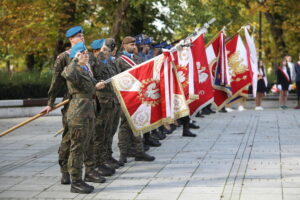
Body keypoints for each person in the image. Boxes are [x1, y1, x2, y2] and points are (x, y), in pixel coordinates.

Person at [40, 26, 84, 185]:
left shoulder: (86, 55)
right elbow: (56, 81)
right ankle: (65, 169)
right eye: (79, 36)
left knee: (85, 138)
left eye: (82, 35)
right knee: (69, 136)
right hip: (71, 102)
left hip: (87, 103)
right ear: (71, 39)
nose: (82, 37)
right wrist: (50, 103)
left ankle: (84, 169)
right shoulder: (64, 57)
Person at [61, 42, 106, 193]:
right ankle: (76, 181)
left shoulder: (85, 70)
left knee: (88, 144)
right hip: (78, 113)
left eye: (86, 53)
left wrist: (97, 85)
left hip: (89, 110)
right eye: (83, 53)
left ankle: (88, 173)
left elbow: (89, 86)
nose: (87, 55)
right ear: (76, 55)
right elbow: (67, 74)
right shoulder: (72, 68)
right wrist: (74, 59)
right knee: (77, 148)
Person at [115, 36, 155, 165]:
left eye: (134, 44)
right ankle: (123, 154)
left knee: (138, 123)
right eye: (131, 44)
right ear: (124, 46)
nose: (134, 46)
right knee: (125, 127)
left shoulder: (138, 59)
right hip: (125, 98)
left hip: (138, 97)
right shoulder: (119, 61)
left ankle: (139, 151)